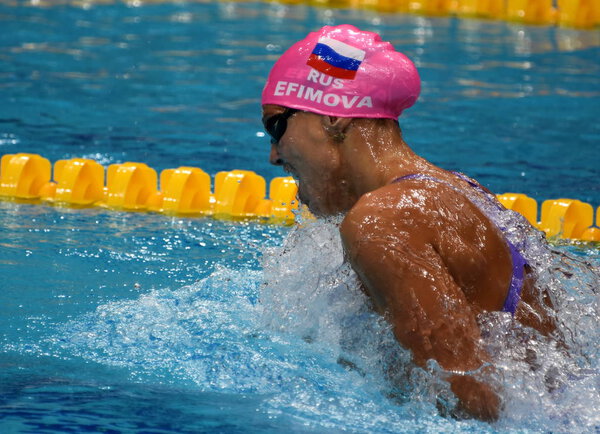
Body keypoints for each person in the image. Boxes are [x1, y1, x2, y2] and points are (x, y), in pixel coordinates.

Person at [260, 24, 556, 422]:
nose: (274, 156)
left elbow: (467, 404)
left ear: (331, 115)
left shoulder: (382, 221)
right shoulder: (453, 188)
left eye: (276, 126)